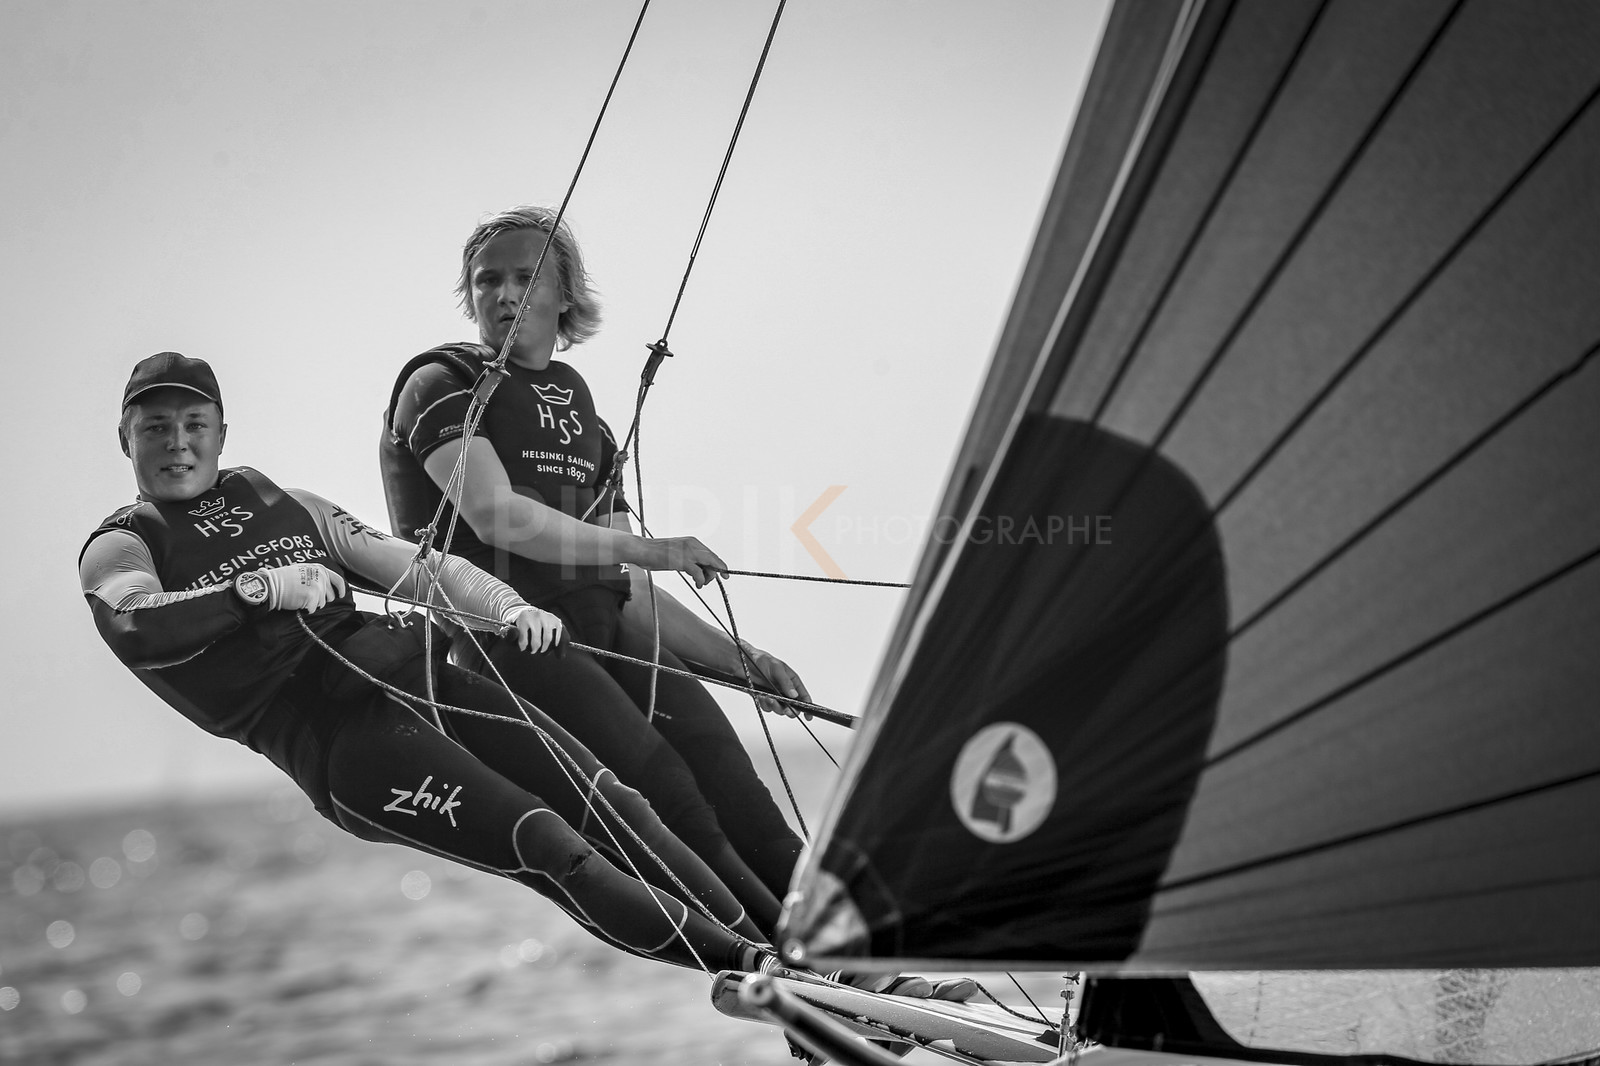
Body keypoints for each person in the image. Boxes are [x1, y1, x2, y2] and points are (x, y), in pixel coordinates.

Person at [81, 351, 775, 975]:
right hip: (345, 744)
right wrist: (257, 590)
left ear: (221, 434)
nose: (178, 443)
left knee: (618, 805)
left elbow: (419, 568)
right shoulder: (122, 544)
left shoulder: (289, 505)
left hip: (426, 683)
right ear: (125, 439)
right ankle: (755, 969)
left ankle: (789, 965)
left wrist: (506, 608)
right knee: (549, 844)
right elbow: (135, 619)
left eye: (194, 424)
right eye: (156, 428)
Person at [379, 206, 809, 927]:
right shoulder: (441, 383)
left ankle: (868, 959)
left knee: (738, 786)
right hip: (507, 643)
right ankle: (789, 966)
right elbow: (497, 516)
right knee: (668, 793)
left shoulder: (587, 419)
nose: (505, 295)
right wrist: (656, 547)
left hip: (606, 631)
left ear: (565, 295)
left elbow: (630, 596)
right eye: (488, 281)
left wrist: (746, 661)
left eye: (525, 278)